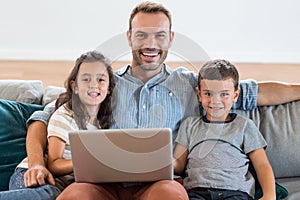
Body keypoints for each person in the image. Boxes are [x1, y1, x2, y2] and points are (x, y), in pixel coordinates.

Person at [1, 1, 300, 199]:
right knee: (77, 194)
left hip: (157, 187)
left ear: (171, 39)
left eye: (159, 36)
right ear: (129, 37)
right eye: (142, 35)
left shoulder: (191, 85)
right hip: (103, 185)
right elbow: (42, 118)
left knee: (172, 193)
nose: (150, 45)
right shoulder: (102, 84)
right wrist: (36, 164)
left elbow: (254, 92)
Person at [1, 51, 115, 200]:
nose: (94, 85)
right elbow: (54, 164)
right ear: (74, 86)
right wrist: (88, 162)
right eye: (86, 79)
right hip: (32, 176)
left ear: (109, 88)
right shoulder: (64, 116)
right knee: (50, 195)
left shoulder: (104, 123)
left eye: (100, 80)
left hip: (59, 186)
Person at [173, 59, 276, 200]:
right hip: (197, 191)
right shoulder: (189, 125)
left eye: (224, 94)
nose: (215, 101)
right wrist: (163, 162)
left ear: (235, 95)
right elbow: (179, 165)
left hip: (234, 191)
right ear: (199, 94)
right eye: (208, 94)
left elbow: (262, 165)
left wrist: (269, 195)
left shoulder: (244, 126)